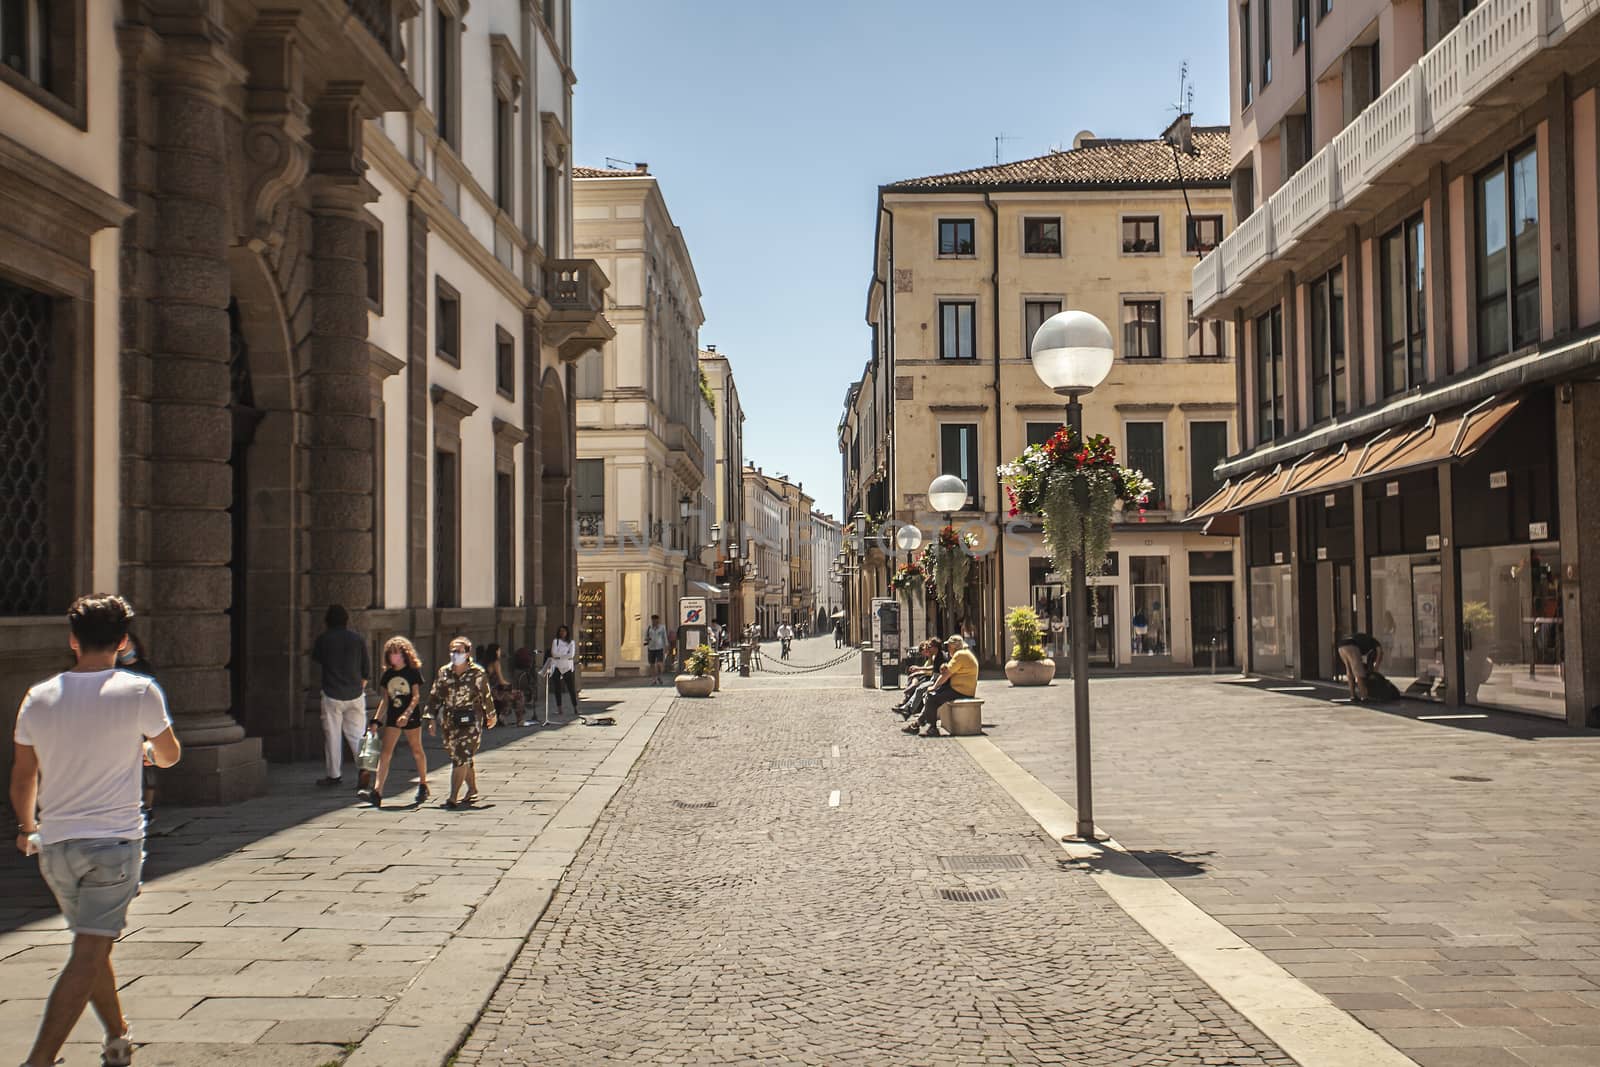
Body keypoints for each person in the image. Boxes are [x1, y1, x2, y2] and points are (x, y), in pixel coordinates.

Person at [11, 594, 182, 1067]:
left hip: (57, 845)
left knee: (91, 941)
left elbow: (24, 775)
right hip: (114, 842)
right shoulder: (138, 691)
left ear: (72, 640)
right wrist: (145, 751)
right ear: (123, 641)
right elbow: (170, 755)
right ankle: (39, 1060)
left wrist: (27, 827)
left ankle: (118, 1037)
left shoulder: (39, 697)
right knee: (89, 950)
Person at [428, 636, 495, 809]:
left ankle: (452, 797)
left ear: (467, 653)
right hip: (449, 719)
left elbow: (485, 695)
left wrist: (491, 714)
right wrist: (430, 718)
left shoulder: (477, 672)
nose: (454, 654)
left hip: (470, 719)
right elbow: (436, 695)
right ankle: (472, 789)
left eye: (458, 651)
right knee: (460, 755)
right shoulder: (444, 672)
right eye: (452, 651)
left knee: (461, 755)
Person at [311, 604, 370, 789]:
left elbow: (317, 659)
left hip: (332, 693)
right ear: (346, 620)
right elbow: (366, 669)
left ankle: (334, 775)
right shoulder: (357, 639)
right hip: (355, 692)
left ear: (327, 620)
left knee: (332, 736)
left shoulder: (323, 639)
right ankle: (365, 768)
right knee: (358, 735)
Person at [372, 636, 430, 809]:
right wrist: (376, 719)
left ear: (404, 654)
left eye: (396, 653)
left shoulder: (412, 672)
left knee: (416, 749)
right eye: (390, 654)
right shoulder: (388, 675)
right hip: (393, 717)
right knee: (385, 753)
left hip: (410, 716)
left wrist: (407, 714)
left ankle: (423, 783)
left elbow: (416, 696)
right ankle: (377, 790)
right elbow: (385, 699)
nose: (393, 657)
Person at [116, 635, 160, 820]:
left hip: (144, 724)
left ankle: (148, 807)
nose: (126, 648)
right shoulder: (115, 669)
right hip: (125, 724)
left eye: (129, 644)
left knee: (148, 767)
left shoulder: (144, 667)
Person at [904, 634, 979, 738]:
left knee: (931, 697)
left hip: (960, 690)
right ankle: (916, 724)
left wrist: (934, 686)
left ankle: (932, 728)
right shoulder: (964, 654)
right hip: (961, 688)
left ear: (954, 646)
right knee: (932, 696)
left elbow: (946, 674)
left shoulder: (960, 655)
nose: (948, 648)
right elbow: (950, 669)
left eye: (949, 646)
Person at [892, 639, 946, 719]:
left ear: (935, 647)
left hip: (938, 680)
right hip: (934, 678)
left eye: (930, 647)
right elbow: (933, 668)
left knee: (920, 689)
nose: (928, 648)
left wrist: (919, 669)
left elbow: (933, 669)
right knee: (918, 688)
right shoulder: (936, 655)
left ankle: (909, 710)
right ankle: (906, 708)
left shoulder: (940, 656)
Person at [482, 644, 524, 730]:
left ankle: (502, 715)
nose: (500, 652)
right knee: (519, 695)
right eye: (499, 650)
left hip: (488, 690)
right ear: (496, 652)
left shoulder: (485, 662)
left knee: (509, 695)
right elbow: (501, 681)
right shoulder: (496, 663)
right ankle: (519, 720)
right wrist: (509, 685)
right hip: (496, 692)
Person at [544, 625, 579, 721]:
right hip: (557, 666)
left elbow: (571, 655)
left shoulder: (571, 642)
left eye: (564, 631)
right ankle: (559, 708)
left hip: (567, 666)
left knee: (571, 687)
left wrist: (560, 656)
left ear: (567, 632)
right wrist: (564, 655)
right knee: (557, 688)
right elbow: (553, 653)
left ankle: (575, 707)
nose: (562, 633)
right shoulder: (556, 641)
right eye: (560, 631)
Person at [1335, 631, 1383, 702]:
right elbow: (1380, 654)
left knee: (1350, 671)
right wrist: (1376, 668)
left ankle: (1353, 696)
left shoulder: (1365, 643)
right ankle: (1365, 696)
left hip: (1341, 646)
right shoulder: (1376, 643)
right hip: (1351, 645)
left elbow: (1367, 661)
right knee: (1359, 672)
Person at [645, 614, 669, 685]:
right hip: (651, 648)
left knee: (659, 664)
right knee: (652, 664)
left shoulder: (662, 627)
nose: (655, 621)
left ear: (658, 620)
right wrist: (647, 639)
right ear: (652, 620)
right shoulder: (649, 628)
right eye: (653, 620)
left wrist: (666, 646)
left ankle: (659, 676)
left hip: (659, 647)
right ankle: (654, 679)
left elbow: (665, 637)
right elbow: (646, 637)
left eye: (656, 620)